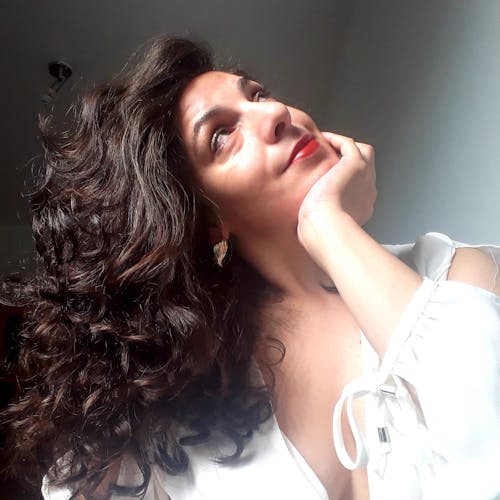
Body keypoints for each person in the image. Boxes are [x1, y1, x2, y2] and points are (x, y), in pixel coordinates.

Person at [1, 36, 499, 500]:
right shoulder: (176, 386)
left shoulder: (455, 273)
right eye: (221, 136)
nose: (276, 113)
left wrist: (330, 226)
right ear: (204, 219)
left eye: (259, 96)